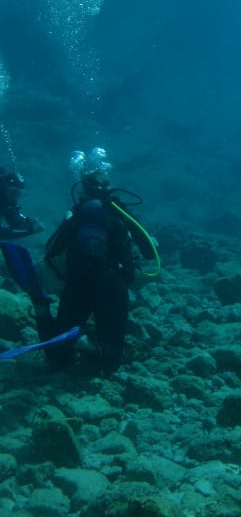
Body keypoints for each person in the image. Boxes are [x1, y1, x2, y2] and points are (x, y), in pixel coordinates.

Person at [33, 153, 159, 374]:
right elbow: (149, 252)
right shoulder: (120, 213)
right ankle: (94, 347)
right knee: (111, 359)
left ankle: (44, 313)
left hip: (77, 283)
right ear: (108, 189)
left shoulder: (77, 214)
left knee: (57, 357)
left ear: (82, 190)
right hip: (113, 283)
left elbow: (51, 250)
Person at [0, 167, 43, 238]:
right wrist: (29, 231)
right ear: (5, 186)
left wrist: (29, 224)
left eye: (18, 192)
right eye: (13, 191)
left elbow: (13, 219)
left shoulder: (7, 198)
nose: (16, 196)